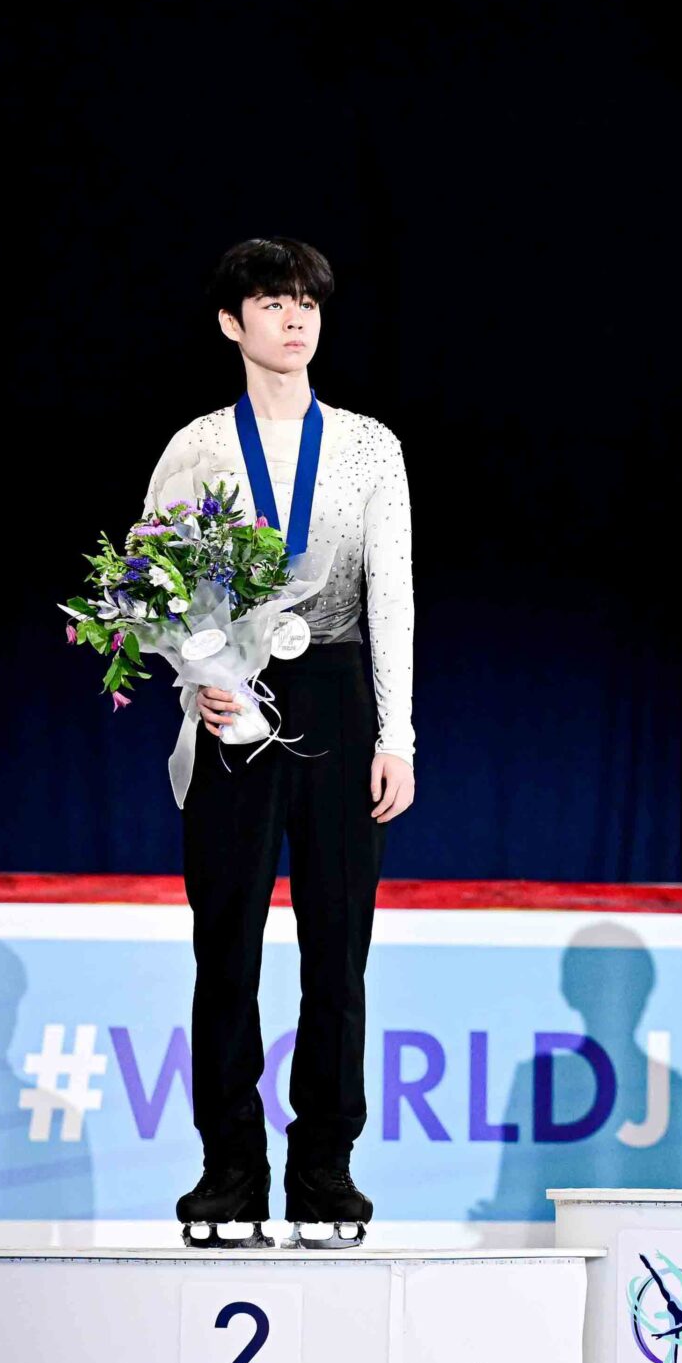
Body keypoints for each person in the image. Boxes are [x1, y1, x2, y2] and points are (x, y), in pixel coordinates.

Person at [149, 237, 416, 1248]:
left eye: (307, 300)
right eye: (271, 301)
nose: (295, 317)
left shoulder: (369, 446)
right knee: (225, 945)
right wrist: (201, 677)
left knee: (337, 950)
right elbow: (152, 585)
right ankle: (228, 1168)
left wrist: (397, 734)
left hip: (337, 697)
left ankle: (324, 1169)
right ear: (232, 322)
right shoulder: (196, 448)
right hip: (233, 703)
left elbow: (392, 596)